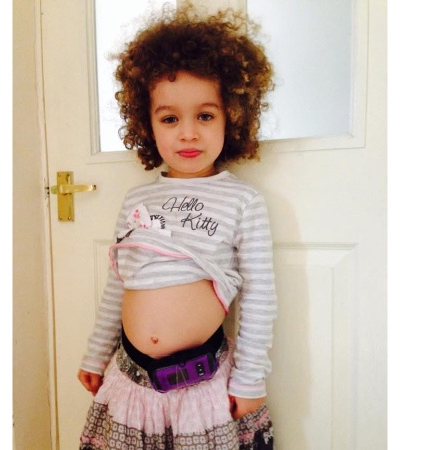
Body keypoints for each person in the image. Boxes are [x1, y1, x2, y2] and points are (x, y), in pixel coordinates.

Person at [78, 3, 277, 449]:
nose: (188, 133)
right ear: (147, 125)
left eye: (205, 116)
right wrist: (95, 353)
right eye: (170, 118)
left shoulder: (242, 201)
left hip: (201, 387)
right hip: (129, 382)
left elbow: (260, 297)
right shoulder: (137, 200)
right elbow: (118, 286)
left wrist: (250, 379)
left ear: (232, 117)